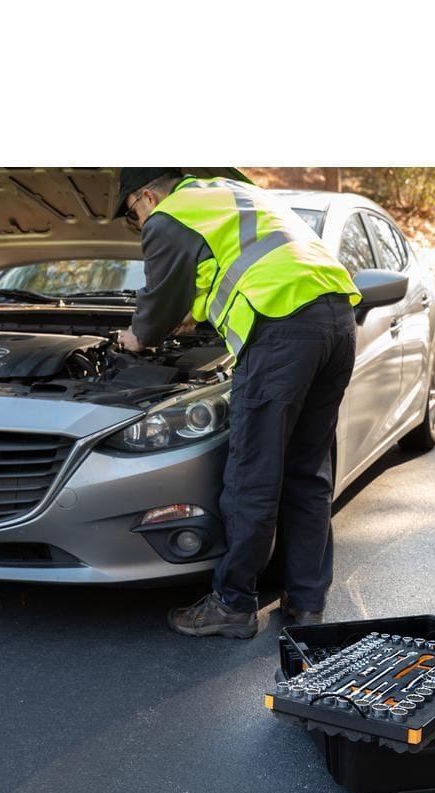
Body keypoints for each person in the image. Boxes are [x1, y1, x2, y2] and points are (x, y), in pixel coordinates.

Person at [114, 168, 360, 638]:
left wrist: (134, 338)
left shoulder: (167, 217)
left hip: (282, 326)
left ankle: (232, 604)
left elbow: (156, 306)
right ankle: (307, 603)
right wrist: (194, 315)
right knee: (308, 472)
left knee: (252, 473)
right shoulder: (232, 192)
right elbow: (238, 265)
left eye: (133, 215)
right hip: (336, 320)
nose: (139, 223)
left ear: (146, 195)